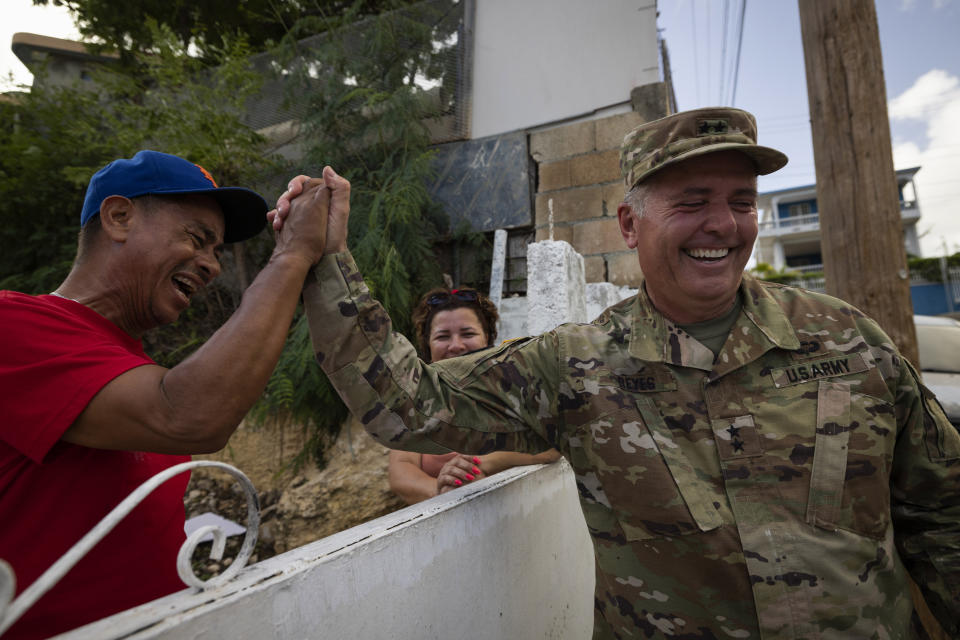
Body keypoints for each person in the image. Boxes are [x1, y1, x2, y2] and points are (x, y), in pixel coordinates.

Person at [282, 108, 959, 638]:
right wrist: (325, 259)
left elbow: (943, 511)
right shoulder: (575, 364)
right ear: (631, 224)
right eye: (692, 200)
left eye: (743, 200)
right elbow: (409, 406)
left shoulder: (846, 339)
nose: (723, 224)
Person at [0, 151, 331, 639]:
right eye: (198, 239)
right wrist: (292, 256)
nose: (212, 266)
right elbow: (186, 416)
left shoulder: (130, 366)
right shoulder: (14, 324)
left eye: (216, 250)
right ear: (118, 217)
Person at [388, 287, 559, 504]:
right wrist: (443, 491)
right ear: (427, 345)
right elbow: (400, 471)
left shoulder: (512, 387)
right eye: (442, 336)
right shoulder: (412, 401)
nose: (456, 345)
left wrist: (479, 464)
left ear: (486, 338)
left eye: (468, 334)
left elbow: (552, 447)